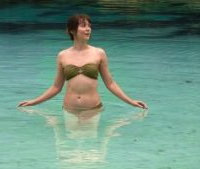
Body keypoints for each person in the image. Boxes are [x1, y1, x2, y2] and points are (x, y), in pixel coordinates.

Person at [18, 14, 148, 115]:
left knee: (91, 147)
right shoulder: (62, 55)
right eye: (83, 26)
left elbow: (110, 84)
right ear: (72, 30)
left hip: (93, 109)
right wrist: (33, 102)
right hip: (69, 109)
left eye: (89, 26)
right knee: (67, 147)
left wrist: (131, 102)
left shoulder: (99, 53)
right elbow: (56, 87)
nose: (88, 29)